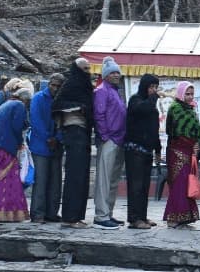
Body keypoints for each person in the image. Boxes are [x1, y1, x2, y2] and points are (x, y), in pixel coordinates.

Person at [0, 81, 33, 223]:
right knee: (5, 180)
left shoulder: (6, 103)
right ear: (26, 100)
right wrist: (20, 144)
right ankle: (3, 213)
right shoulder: (19, 106)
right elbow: (17, 127)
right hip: (4, 146)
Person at [54, 58, 94, 228]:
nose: (88, 72)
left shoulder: (84, 86)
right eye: (84, 69)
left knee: (82, 176)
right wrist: (78, 108)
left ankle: (77, 216)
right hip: (73, 131)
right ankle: (70, 217)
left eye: (89, 69)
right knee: (74, 176)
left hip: (83, 132)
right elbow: (57, 105)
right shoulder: (70, 85)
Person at [164, 80, 200, 229]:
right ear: (181, 94)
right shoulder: (175, 109)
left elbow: (196, 132)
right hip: (177, 151)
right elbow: (173, 131)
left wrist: (196, 145)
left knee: (187, 183)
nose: (189, 97)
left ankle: (185, 217)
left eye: (192, 94)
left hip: (189, 151)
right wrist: (190, 142)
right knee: (179, 184)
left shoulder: (191, 109)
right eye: (187, 94)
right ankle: (173, 218)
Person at [92, 56, 126, 230]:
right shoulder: (101, 91)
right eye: (112, 72)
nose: (115, 75)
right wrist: (105, 136)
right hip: (109, 140)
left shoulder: (114, 91)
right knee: (104, 180)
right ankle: (101, 215)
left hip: (119, 139)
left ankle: (108, 213)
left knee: (113, 180)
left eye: (117, 72)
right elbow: (99, 115)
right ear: (105, 75)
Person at [124, 73, 161, 231]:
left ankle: (142, 216)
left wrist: (158, 148)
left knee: (145, 185)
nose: (153, 90)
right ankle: (134, 218)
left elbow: (154, 128)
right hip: (134, 149)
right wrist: (153, 99)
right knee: (136, 185)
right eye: (151, 87)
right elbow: (142, 110)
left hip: (147, 150)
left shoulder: (151, 105)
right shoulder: (135, 100)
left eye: (155, 87)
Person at [28, 74, 65, 223]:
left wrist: (58, 138)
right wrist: (48, 137)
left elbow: (64, 121)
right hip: (40, 145)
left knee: (55, 182)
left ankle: (51, 212)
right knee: (41, 181)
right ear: (49, 84)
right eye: (53, 85)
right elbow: (36, 120)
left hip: (56, 144)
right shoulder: (38, 98)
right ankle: (37, 213)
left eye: (58, 86)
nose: (55, 88)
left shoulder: (62, 101)